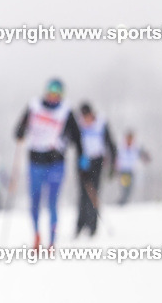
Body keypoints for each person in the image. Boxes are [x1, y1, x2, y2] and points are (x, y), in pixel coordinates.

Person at [14, 79, 82, 250]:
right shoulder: (34, 106)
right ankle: (36, 235)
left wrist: (79, 154)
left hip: (56, 161)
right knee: (35, 201)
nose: (53, 97)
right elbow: (18, 130)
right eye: (51, 93)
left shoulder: (66, 110)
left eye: (57, 94)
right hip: (35, 160)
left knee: (52, 202)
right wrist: (21, 132)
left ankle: (52, 240)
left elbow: (77, 137)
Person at [74, 102, 117, 237]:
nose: (86, 120)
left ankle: (93, 226)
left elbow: (110, 143)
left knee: (94, 192)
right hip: (83, 161)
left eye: (87, 116)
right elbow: (75, 142)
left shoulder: (101, 123)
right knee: (83, 193)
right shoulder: (79, 124)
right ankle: (80, 225)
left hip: (97, 161)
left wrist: (113, 163)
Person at [115, 130, 151, 205]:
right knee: (124, 187)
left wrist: (146, 157)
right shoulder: (120, 147)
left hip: (131, 170)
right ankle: (122, 202)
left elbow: (143, 155)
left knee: (130, 188)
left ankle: (124, 202)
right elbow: (115, 156)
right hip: (123, 171)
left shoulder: (136, 147)